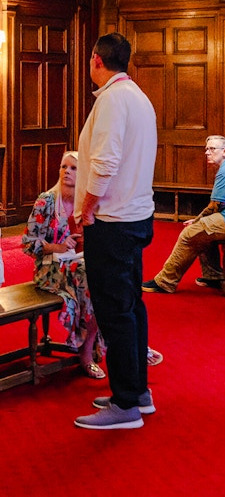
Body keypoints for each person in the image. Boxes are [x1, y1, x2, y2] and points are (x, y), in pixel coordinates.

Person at [73, 32, 157, 430]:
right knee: (131, 305)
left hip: (112, 221)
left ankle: (125, 404)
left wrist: (85, 210)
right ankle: (137, 390)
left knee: (114, 311)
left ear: (95, 60)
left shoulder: (111, 100)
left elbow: (104, 163)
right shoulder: (138, 97)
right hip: (136, 216)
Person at [22, 151, 106, 379]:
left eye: (73, 168)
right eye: (63, 167)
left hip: (77, 263)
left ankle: (115, 341)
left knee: (101, 276)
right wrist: (57, 247)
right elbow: (28, 244)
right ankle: (86, 353)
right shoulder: (46, 201)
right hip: (48, 269)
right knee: (90, 279)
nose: (66, 171)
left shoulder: (86, 203)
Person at [142, 135, 225, 293]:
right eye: (206, 149)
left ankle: (165, 282)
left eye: (212, 149)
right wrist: (201, 220)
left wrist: (197, 221)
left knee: (190, 233)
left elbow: (216, 205)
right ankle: (213, 277)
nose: (207, 152)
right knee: (203, 230)